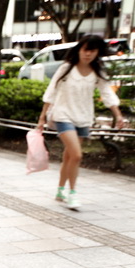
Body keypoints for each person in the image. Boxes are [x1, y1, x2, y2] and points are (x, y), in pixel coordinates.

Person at [38, 35, 124, 210]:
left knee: (70, 156)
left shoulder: (97, 71)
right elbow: (51, 91)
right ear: (79, 49)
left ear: (97, 52)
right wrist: (42, 117)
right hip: (63, 115)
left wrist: (118, 115)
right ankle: (73, 193)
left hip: (83, 117)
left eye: (92, 51)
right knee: (77, 155)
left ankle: (61, 189)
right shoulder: (66, 68)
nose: (88, 54)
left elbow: (106, 93)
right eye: (85, 49)